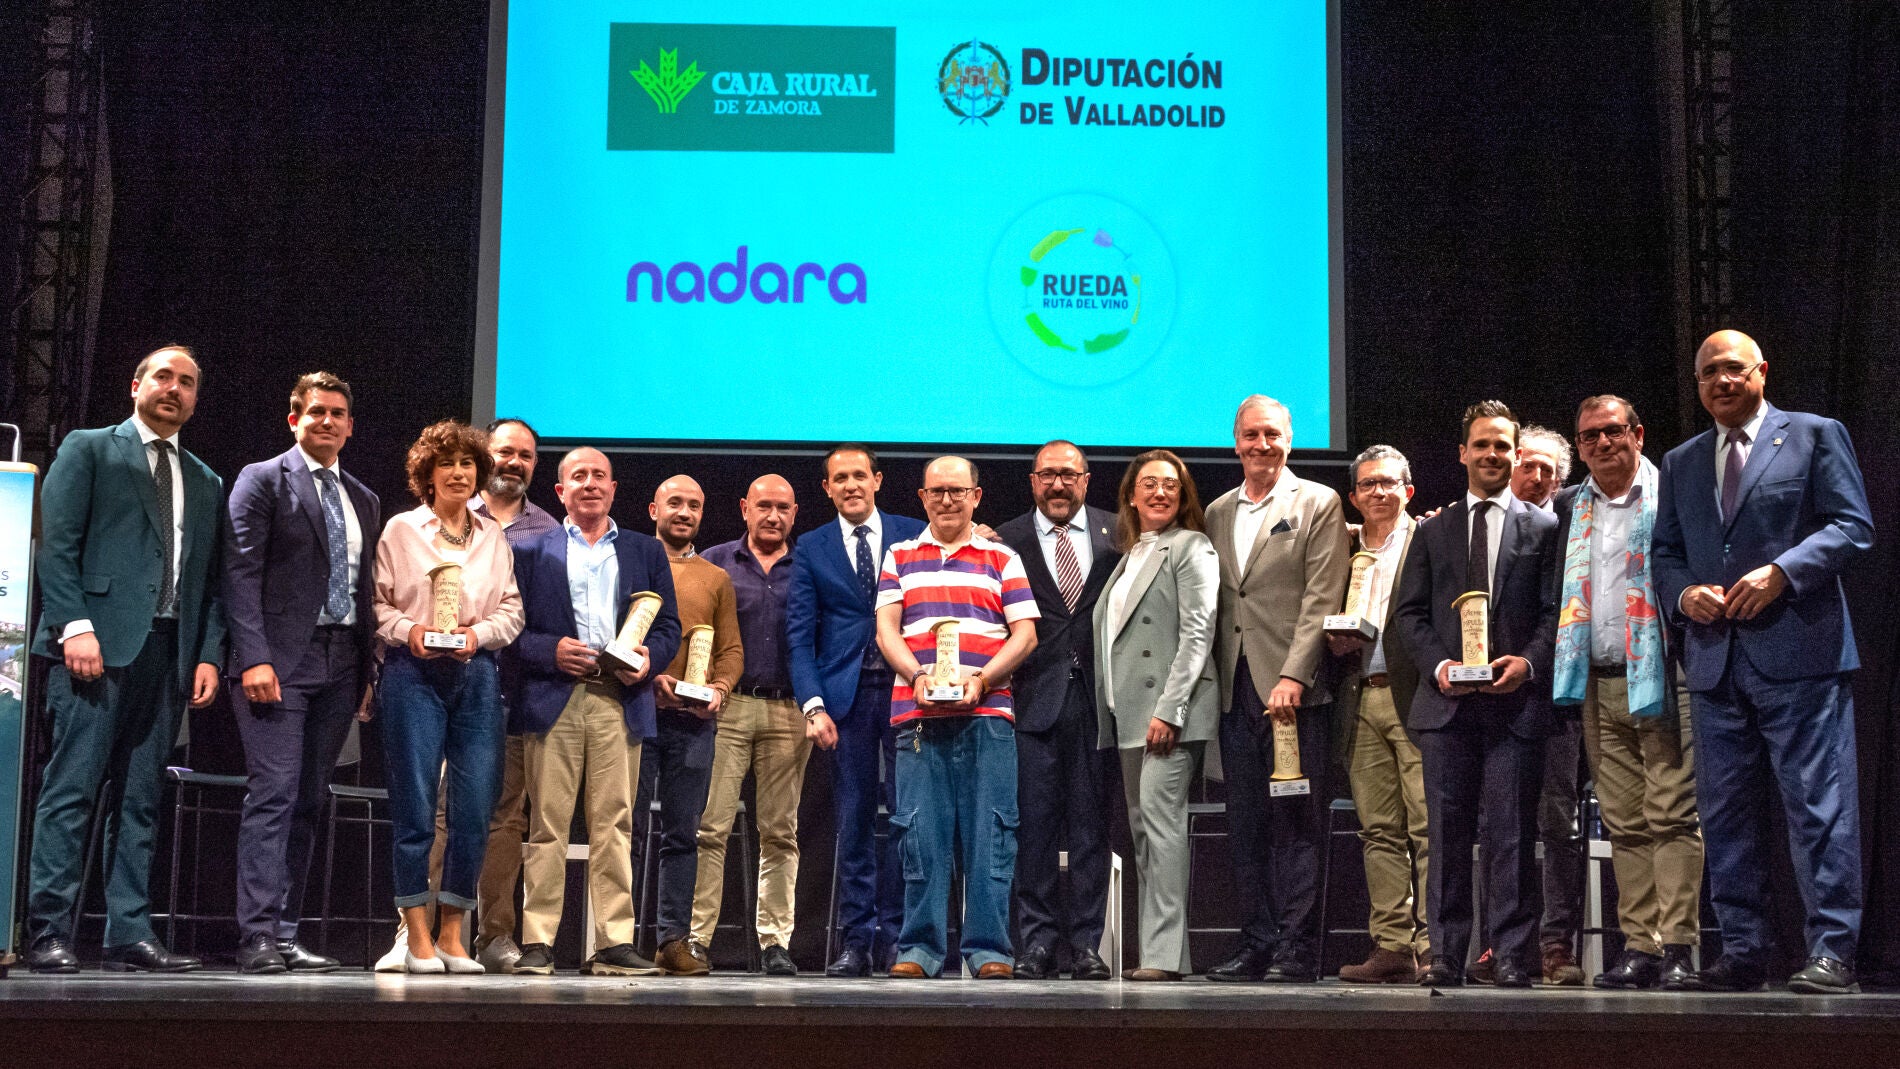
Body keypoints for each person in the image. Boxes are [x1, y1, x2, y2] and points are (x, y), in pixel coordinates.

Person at [1653, 329, 1873, 995]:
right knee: (1725, 815)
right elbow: (1665, 552)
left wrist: (1783, 572)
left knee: (1817, 808)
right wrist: (1683, 594)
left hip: (1800, 654)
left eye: (1733, 368)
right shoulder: (1682, 460)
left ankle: (1832, 951)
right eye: (1708, 373)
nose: (1721, 381)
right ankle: (1745, 950)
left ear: (1761, 372)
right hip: (1715, 661)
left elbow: (1852, 525)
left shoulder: (1814, 435)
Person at [25, 346, 225, 974]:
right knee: (72, 791)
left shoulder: (206, 479)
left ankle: (128, 932)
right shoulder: (89, 448)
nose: (174, 388)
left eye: (186, 382)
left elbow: (211, 582)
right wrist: (74, 626)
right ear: (136, 385)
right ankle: (47, 930)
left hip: (167, 654)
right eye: (163, 377)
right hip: (94, 648)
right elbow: (56, 545)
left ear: (195, 399)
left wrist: (208, 655)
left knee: (140, 801)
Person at [376, 415, 555, 973]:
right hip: (413, 674)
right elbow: (378, 604)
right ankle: (416, 935)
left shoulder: (493, 536)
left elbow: (512, 610)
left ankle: (453, 934)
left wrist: (478, 636)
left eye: (466, 464)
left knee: (476, 809)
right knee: (416, 810)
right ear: (426, 474)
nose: (458, 473)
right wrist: (410, 631)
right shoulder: (402, 530)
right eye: (446, 464)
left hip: (476, 675)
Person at [1394, 400, 1559, 988]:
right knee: (1446, 834)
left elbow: (1554, 611)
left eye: (1502, 446)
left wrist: (1529, 663)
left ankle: (1512, 954)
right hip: (1446, 706)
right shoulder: (1431, 529)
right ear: (1462, 453)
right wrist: (1438, 664)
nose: (1492, 454)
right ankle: (1445, 953)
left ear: (1516, 455)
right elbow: (1409, 614)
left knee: (1512, 833)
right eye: (1481, 445)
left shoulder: (1544, 528)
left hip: (1515, 704)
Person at [223, 371, 379, 974]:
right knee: (275, 794)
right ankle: (257, 935)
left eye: (338, 414)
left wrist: (368, 672)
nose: (327, 421)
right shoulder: (263, 479)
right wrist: (254, 657)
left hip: (342, 662)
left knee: (312, 799)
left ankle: (286, 933)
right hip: (279, 661)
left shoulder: (363, 498)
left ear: (351, 426)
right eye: (316, 412)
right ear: (295, 420)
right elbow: (239, 574)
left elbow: (364, 590)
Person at [1551, 395, 1703, 990]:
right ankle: (1641, 946)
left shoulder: (1674, 496)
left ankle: (1680, 947)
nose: (1602, 443)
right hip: (1596, 681)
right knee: (1625, 822)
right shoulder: (1569, 506)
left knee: (1672, 813)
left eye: (1613, 431)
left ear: (1638, 435)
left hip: (1662, 674)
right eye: (1589, 436)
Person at [510, 447, 678, 977]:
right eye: (578, 476)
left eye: (599, 475)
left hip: (618, 699)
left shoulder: (645, 550)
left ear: (613, 488)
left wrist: (648, 661)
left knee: (615, 824)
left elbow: (668, 628)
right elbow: (513, 631)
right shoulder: (531, 550)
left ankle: (613, 942)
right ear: (560, 491)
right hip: (554, 697)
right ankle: (538, 942)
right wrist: (550, 651)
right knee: (546, 825)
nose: (590, 483)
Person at [1202, 395, 1349, 983]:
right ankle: (1257, 943)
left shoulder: (1318, 501)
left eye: (1272, 434)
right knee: (1246, 825)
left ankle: (1297, 948)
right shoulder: (1216, 511)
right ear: (1235, 441)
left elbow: (1323, 595)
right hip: (1234, 689)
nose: (1261, 445)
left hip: (1294, 695)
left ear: (1290, 439)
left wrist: (1294, 674)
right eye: (1251, 435)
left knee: (1297, 822)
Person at [876, 457, 1039, 979]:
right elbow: (886, 631)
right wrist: (916, 676)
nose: (947, 500)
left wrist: (983, 680)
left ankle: (989, 950)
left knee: (991, 834)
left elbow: (1026, 635)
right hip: (919, 716)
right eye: (937, 491)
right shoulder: (899, 556)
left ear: (976, 496)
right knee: (919, 834)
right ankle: (919, 950)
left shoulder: (1002, 558)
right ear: (922, 497)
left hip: (987, 714)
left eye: (958, 491)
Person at [787, 445, 925, 977]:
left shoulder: (914, 532)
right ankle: (858, 941)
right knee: (855, 821)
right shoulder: (812, 545)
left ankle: (902, 938)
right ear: (827, 488)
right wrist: (813, 705)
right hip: (845, 700)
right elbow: (800, 636)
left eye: (859, 475)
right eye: (840, 478)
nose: (851, 485)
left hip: (909, 691)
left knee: (910, 819)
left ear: (877, 480)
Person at [994, 440, 1119, 981]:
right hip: (1031, 704)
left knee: (1092, 831)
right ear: (1032, 481)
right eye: (1047, 475)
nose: (1058, 484)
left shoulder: (1120, 533)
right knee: (1035, 832)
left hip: (1099, 702)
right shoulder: (1005, 539)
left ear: (1086, 480)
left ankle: (1087, 945)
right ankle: (1038, 943)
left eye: (1069, 474)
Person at [1092, 450, 1218, 981]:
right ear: (1130, 495)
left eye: (1170, 484)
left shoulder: (1191, 546)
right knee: (1144, 834)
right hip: (1128, 715)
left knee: (1162, 830)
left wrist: (1172, 709)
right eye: (1149, 483)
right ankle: (1161, 953)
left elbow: (1198, 632)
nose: (1160, 492)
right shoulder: (1131, 554)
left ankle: (1163, 957)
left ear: (1183, 495)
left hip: (1168, 714)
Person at [695, 475, 808, 976]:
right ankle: (697, 939)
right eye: (764, 506)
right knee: (711, 826)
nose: (773, 516)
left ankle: (775, 942)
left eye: (783, 508)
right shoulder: (715, 562)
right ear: (745, 508)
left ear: (795, 513)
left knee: (780, 832)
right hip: (729, 707)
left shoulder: (809, 566)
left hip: (788, 709)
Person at [636, 475, 744, 976]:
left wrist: (718, 690)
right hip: (636, 714)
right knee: (627, 830)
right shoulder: (632, 563)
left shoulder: (715, 577)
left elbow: (731, 650)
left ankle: (672, 940)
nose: (684, 512)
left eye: (694, 505)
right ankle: (616, 939)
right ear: (653, 509)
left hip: (694, 723)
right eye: (675, 503)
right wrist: (648, 678)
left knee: (684, 834)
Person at [1330, 445, 1430, 984]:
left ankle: (1435, 944)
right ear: (1354, 496)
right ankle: (1392, 945)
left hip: (1415, 696)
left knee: (1428, 825)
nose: (1379, 492)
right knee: (1378, 830)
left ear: (1408, 491)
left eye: (1389, 482)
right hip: (1359, 694)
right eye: (1368, 484)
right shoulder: (1340, 546)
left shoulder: (1430, 537)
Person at [1492, 422, 1587, 985]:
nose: (1533, 476)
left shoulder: (1574, 518)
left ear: (1560, 482)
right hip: (1495, 696)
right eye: (1525, 465)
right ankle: (1502, 944)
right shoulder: (1483, 521)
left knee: (1558, 820)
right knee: (1502, 823)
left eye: (1546, 470)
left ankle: (1555, 944)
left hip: (1556, 695)